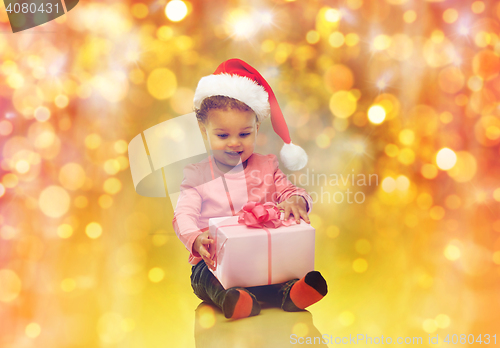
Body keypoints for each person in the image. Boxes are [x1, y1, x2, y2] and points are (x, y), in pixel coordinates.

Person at [173, 59, 327, 320]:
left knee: (277, 274)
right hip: (213, 262)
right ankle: (234, 299)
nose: (234, 143)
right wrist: (195, 240)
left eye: (244, 134)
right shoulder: (197, 175)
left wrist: (297, 201)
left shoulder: (266, 166)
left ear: (256, 128)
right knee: (210, 280)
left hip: (262, 260)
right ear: (204, 131)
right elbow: (183, 215)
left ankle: (292, 293)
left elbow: (289, 190)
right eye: (222, 136)